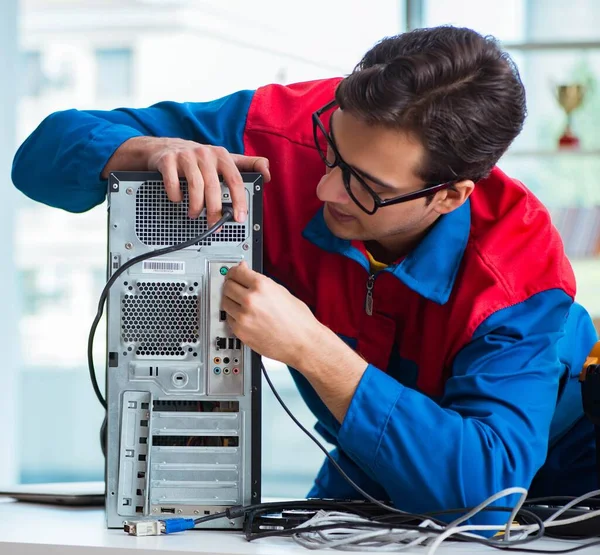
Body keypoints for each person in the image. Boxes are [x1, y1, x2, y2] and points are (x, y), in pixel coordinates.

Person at [12, 25, 599, 526]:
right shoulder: (279, 132)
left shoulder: (521, 271)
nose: (323, 189)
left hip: (565, 467)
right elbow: (37, 158)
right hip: (370, 451)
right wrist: (143, 150)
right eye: (332, 154)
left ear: (449, 196)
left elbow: (487, 495)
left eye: (365, 186)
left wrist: (312, 349)